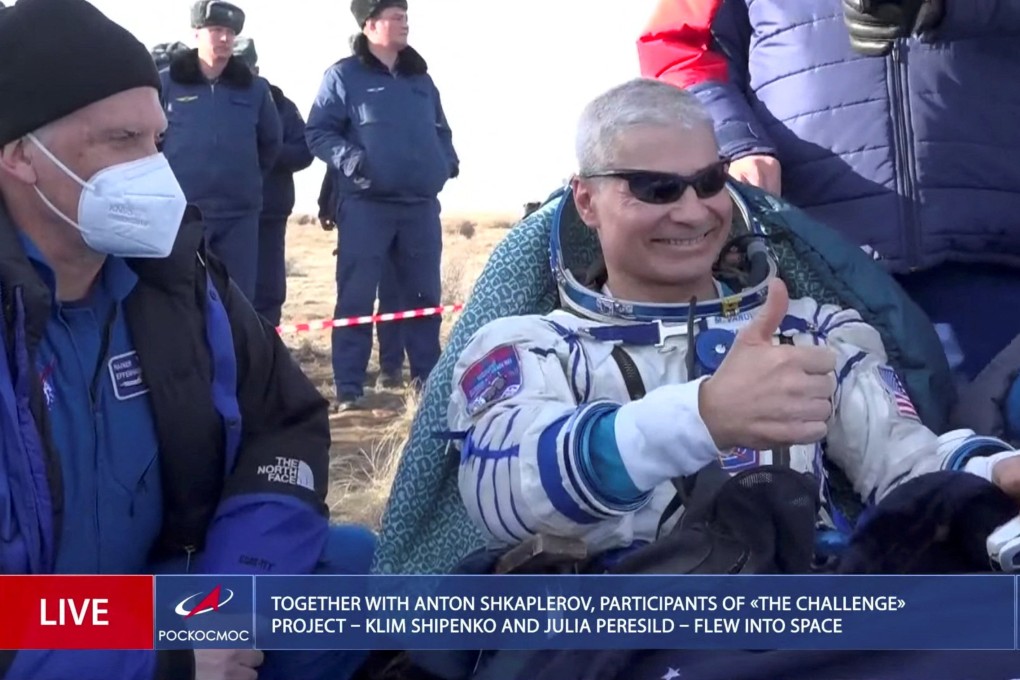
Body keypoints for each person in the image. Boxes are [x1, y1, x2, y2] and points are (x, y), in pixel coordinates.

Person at [447, 78, 1020, 562]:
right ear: (587, 201)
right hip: (623, 630)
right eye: (655, 188)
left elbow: (903, 463)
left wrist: (993, 470)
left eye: (709, 182)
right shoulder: (533, 347)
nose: (692, 211)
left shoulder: (810, 330)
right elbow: (506, 497)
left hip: (808, 610)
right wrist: (703, 417)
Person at [0, 1, 373, 679]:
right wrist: (163, 661)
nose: (153, 171)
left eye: (157, 142)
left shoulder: (179, 280)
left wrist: (226, 601)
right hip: (41, 634)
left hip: (165, 597)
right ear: (21, 155)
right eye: (121, 141)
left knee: (350, 571)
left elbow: (281, 430)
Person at [636, 0, 1020, 382]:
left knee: (992, 434)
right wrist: (734, 142)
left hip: (994, 259)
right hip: (813, 270)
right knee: (837, 433)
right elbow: (678, 46)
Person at [306, 0, 459, 411]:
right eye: (395, 17)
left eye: (405, 16)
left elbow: (441, 129)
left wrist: (446, 163)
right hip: (365, 207)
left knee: (424, 295)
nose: (404, 22)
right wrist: (353, 161)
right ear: (370, 26)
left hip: (419, 207)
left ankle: (428, 382)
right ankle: (350, 388)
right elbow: (317, 132)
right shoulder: (343, 76)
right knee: (356, 296)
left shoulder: (420, 80)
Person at [159, 0, 282, 301]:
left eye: (230, 32)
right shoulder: (167, 84)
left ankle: (234, 351)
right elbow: (150, 142)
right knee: (182, 297)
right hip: (183, 214)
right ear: (197, 33)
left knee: (236, 300)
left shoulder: (255, 89)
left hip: (238, 215)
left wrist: (241, 178)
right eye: (216, 30)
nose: (225, 39)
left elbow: (270, 143)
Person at [230, 37, 316, 327]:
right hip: (227, 213)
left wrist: (268, 149)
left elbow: (305, 150)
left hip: (270, 212)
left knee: (269, 288)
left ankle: (268, 352)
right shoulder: (213, 103)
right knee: (230, 288)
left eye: (245, 66)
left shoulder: (279, 104)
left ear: (256, 68)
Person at [318, 166, 407, 389]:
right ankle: (349, 381)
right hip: (356, 216)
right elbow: (334, 166)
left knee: (393, 294)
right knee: (354, 300)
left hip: (401, 213)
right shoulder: (349, 132)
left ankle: (391, 368)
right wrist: (325, 204)